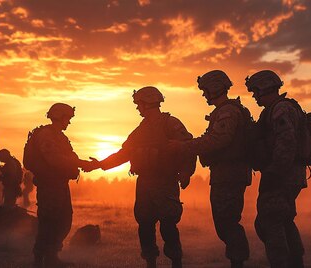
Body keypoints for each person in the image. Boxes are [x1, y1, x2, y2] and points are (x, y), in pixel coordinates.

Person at [89, 86, 196, 268]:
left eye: (139, 104)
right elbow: (125, 153)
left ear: (146, 103)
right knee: (145, 226)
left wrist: (186, 172)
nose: (138, 108)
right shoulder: (141, 130)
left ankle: (176, 262)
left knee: (168, 225)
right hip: (145, 183)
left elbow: (188, 147)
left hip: (165, 182)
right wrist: (101, 164)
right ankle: (150, 262)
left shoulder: (170, 123)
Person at [176, 71, 253, 267]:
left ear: (215, 88)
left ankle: (238, 261)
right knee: (223, 223)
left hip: (229, 174)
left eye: (205, 90)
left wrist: (185, 146)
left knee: (227, 222)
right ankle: (237, 260)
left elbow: (219, 139)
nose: (204, 95)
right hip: (224, 174)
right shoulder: (223, 111)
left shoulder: (227, 112)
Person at [246, 70, 307, 268]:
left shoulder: (280, 109)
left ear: (265, 88)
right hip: (285, 173)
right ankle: (296, 261)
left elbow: (286, 142)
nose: (254, 96)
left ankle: (283, 263)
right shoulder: (275, 109)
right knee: (282, 219)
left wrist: (275, 172)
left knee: (270, 221)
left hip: (282, 174)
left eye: (256, 91)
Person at [23, 103, 96, 267]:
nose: (69, 122)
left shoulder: (59, 136)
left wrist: (78, 164)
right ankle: (40, 259)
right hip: (49, 186)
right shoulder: (47, 135)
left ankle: (52, 256)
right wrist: (79, 162)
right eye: (67, 118)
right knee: (49, 222)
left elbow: (67, 157)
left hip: (59, 185)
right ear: (59, 117)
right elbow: (54, 159)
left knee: (63, 220)